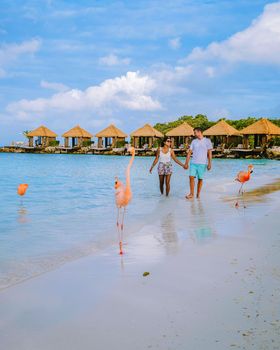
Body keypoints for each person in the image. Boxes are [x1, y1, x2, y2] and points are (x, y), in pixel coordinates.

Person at [184, 127, 212, 199]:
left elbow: (209, 153)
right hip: (193, 162)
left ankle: (198, 194)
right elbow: (189, 152)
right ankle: (191, 194)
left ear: (199, 132)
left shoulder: (207, 141)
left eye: (195, 132)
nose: (194, 134)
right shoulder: (194, 141)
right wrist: (186, 163)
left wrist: (209, 163)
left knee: (200, 179)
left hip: (202, 163)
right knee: (191, 177)